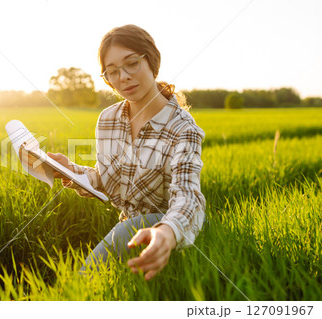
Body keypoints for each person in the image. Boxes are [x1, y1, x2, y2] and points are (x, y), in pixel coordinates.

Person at [46, 24, 206, 281]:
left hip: (171, 229)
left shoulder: (183, 128)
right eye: (112, 72)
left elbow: (187, 195)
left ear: (151, 61)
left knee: (87, 280)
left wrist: (165, 232)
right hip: (129, 230)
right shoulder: (107, 120)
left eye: (132, 63)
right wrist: (68, 169)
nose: (123, 77)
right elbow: (107, 181)